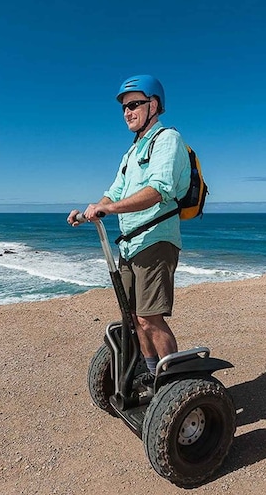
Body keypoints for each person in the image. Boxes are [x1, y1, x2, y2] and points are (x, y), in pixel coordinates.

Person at [68, 75, 191, 380]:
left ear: (155, 105)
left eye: (134, 104)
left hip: (156, 240)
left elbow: (158, 190)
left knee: (151, 317)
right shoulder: (131, 153)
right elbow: (114, 192)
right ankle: (153, 376)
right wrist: (90, 211)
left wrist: (109, 208)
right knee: (134, 318)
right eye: (124, 107)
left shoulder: (167, 140)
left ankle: (174, 384)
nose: (127, 112)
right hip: (129, 244)